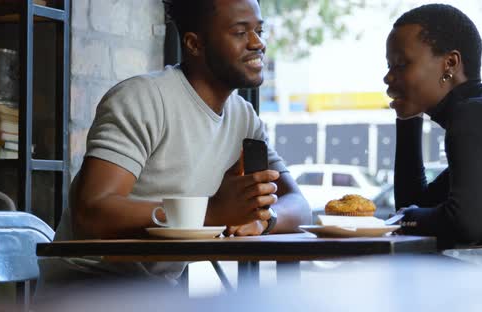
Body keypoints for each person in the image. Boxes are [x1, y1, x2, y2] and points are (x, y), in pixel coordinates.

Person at [37, 0, 310, 294]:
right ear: (194, 44)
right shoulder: (142, 98)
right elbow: (91, 215)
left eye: (259, 30)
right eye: (240, 32)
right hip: (86, 289)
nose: (258, 43)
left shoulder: (244, 118)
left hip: (157, 293)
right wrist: (212, 212)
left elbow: (299, 205)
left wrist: (263, 222)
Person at [384, 4, 482, 258]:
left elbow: (465, 225)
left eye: (401, 64)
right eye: (389, 66)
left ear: (450, 63)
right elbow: (416, 204)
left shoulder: (475, 116)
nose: (388, 78)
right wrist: (409, 118)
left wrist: (406, 217)